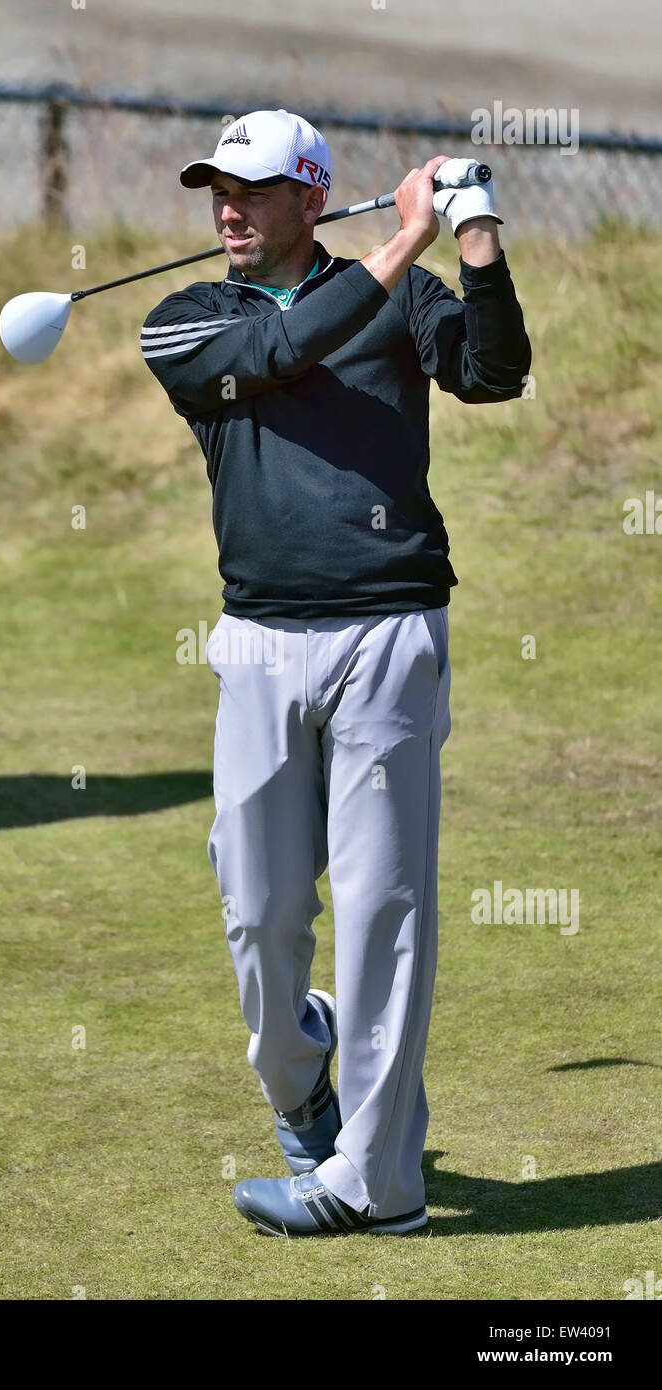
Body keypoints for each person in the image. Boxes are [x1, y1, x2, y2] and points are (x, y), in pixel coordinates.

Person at [140, 109, 531, 1237]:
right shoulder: (186, 324)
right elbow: (278, 351)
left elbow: (493, 373)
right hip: (260, 639)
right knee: (258, 915)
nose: (226, 207)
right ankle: (296, 1072)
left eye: (252, 189)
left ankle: (378, 1179)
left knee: (381, 909)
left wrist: (471, 232)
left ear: (310, 197)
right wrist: (399, 246)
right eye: (216, 187)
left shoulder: (398, 294)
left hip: (389, 629)